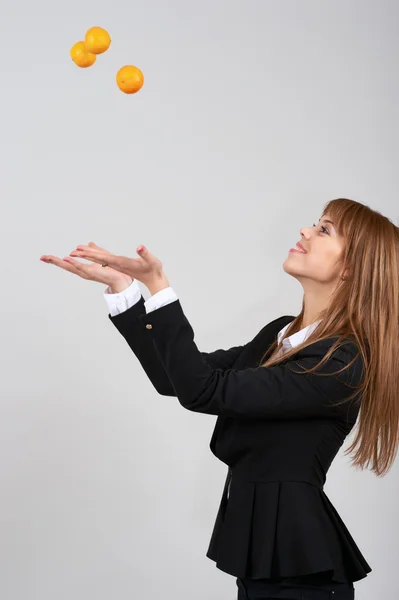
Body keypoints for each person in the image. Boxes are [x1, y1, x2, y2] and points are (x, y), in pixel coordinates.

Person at [40, 197, 399, 600]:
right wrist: (126, 291)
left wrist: (160, 286)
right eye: (314, 224)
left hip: (301, 571)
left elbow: (201, 390)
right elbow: (176, 378)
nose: (304, 231)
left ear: (351, 269)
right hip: (264, 561)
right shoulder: (280, 335)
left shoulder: (341, 362)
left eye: (324, 230)